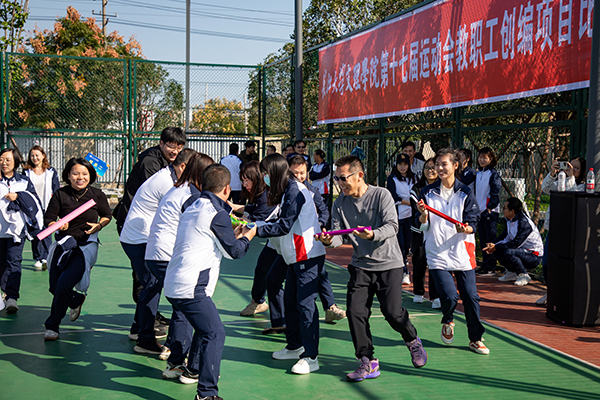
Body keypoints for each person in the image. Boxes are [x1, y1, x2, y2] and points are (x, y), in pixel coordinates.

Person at [315, 155, 427, 382]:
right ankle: (367, 360)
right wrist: (328, 240)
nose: (340, 183)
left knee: (392, 313)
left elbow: (392, 226)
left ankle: (412, 341)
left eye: (343, 178)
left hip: (390, 264)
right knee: (355, 313)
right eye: (337, 178)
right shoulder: (339, 203)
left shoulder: (381, 195)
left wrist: (372, 234)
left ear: (359, 175)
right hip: (361, 266)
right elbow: (338, 237)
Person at [164, 164, 256, 400]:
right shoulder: (218, 214)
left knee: (204, 328)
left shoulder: (193, 205)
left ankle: (193, 370)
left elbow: (215, 241)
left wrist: (233, 235)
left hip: (175, 282)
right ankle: (206, 394)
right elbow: (235, 252)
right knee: (215, 333)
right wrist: (247, 236)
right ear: (227, 189)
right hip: (192, 287)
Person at [144, 153, 215, 379]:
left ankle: (173, 356)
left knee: (180, 306)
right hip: (167, 254)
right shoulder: (192, 196)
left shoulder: (178, 189)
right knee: (185, 306)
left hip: (156, 253)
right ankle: (177, 361)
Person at [120, 148, 196, 353]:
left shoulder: (171, 177)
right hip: (139, 239)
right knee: (153, 285)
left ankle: (139, 330)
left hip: (140, 237)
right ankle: (145, 339)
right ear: (183, 167)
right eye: (195, 171)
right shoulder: (167, 182)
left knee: (151, 285)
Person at [255, 154, 325, 375]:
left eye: (265, 173)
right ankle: (295, 346)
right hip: (294, 255)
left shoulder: (295, 191)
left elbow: (284, 225)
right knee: (291, 301)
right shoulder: (287, 190)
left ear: (275, 172)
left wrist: (255, 230)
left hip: (307, 255)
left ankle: (311, 356)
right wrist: (254, 223)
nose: (264, 177)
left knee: (305, 305)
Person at [416, 148, 489, 355]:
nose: (439, 168)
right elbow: (421, 224)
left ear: (455, 166)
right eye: (437, 165)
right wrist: (423, 216)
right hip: (437, 252)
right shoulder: (426, 192)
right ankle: (448, 319)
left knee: (471, 297)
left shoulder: (466, 192)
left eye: (444, 164)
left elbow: (473, 220)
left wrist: (466, 228)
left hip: (462, 252)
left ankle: (475, 338)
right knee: (449, 296)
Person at [112, 127, 186, 330]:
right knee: (145, 277)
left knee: (150, 277)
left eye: (179, 147)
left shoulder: (170, 163)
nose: (175, 150)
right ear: (161, 143)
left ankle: (147, 318)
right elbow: (167, 196)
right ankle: (144, 324)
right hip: (134, 224)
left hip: (147, 225)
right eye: (171, 145)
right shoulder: (151, 163)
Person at [42, 157, 111, 340]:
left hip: (83, 248)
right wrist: (56, 225)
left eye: (84, 174)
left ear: (91, 175)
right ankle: (76, 300)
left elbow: (107, 215)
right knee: (54, 287)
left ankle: (52, 326)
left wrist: (99, 226)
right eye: (75, 173)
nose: (80, 177)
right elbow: (49, 219)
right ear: (68, 175)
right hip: (64, 246)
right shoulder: (60, 194)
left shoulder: (97, 195)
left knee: (63, 284)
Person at [230, 161, 277, 317]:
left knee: (280, 279)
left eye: (247, 180)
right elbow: (254, 210)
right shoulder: (261, 194)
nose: (244, 184)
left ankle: (330, 305)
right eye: (242, 180)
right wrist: (235, 208)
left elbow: (257, 220)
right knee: (262, 270)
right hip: (275, 242)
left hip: (290, 242)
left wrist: (237, 222)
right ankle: (258, 302)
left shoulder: (268, 195)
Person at [0, 148, 44, 314]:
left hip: (16, 231)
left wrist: (18, 196)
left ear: (16, 162)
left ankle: (12, 297)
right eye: (1, 159)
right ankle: (4, 292)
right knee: (1, 265)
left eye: (8, 160)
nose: (4, 163)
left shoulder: (23, 181)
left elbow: (34, 201)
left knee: (14, 262)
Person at [537, 157, 586, 304]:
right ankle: (550, 292)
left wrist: (570, 177)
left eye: (576, 168)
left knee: (565, 266)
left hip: (570, 231)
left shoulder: (583, 187)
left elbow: (570, 197)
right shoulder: (561, 181)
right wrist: (553, 173)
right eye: (570, 166)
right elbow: (545, 188)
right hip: (554, 228)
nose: (572, 170)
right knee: (547, 263)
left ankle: (562, 296)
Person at [483, 197, 544, 286]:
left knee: (508, 252)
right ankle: (512, 273)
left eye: (505, 208)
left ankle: (523, 275)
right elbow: (503, 236)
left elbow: (515, 244)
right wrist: (492, 244)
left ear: (512, 211)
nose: (503, 210)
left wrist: (496, 246)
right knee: (497, 249)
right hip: (520, 250)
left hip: (534, 255)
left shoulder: (524, 223)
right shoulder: (510, 220)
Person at [409, 157, 441, 307]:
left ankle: (435, 296)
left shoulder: (442, 188)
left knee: (435, 262)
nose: (430, 171)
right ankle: (418, 292)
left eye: (433, 168)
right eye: (427, 168)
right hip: (419, 231)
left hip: (436, 231)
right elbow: (417, 208)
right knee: (419, 261)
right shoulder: (417, 188)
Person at [23, 145, 60, 271]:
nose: (35, 158)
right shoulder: (26, 172)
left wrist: (57, 206)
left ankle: (47, 257)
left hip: (48, 206)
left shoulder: (51, 171)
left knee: (47, 231)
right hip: (33, 208)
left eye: (37, 155)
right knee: (36, 232)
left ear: (43, 156)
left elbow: (56, 189)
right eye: (32, 156)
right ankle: (39, 257)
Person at [386, 153, 416, 285]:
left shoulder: (414, 178)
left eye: (405, 164)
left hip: (412, 216)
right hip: (398, 216)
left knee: (408, 244)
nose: (402, 167)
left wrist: (413, 205)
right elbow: (393, 196)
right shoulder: (392, 178)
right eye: (400, 164)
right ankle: (404, 272)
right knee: (401, 245)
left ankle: (403, 266)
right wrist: (408, 203)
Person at [474, 147, 501, 276]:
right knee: (483, 238)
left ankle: (491, 267)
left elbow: (495, 191)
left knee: (490, 238)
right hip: (479, 211)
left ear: (491, 159)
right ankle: (485, 265)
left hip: (490, 211)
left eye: (485, 158)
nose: (482, 160)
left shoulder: (493, 174)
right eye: (480, 157)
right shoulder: (478, 173)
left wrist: (490, 206)